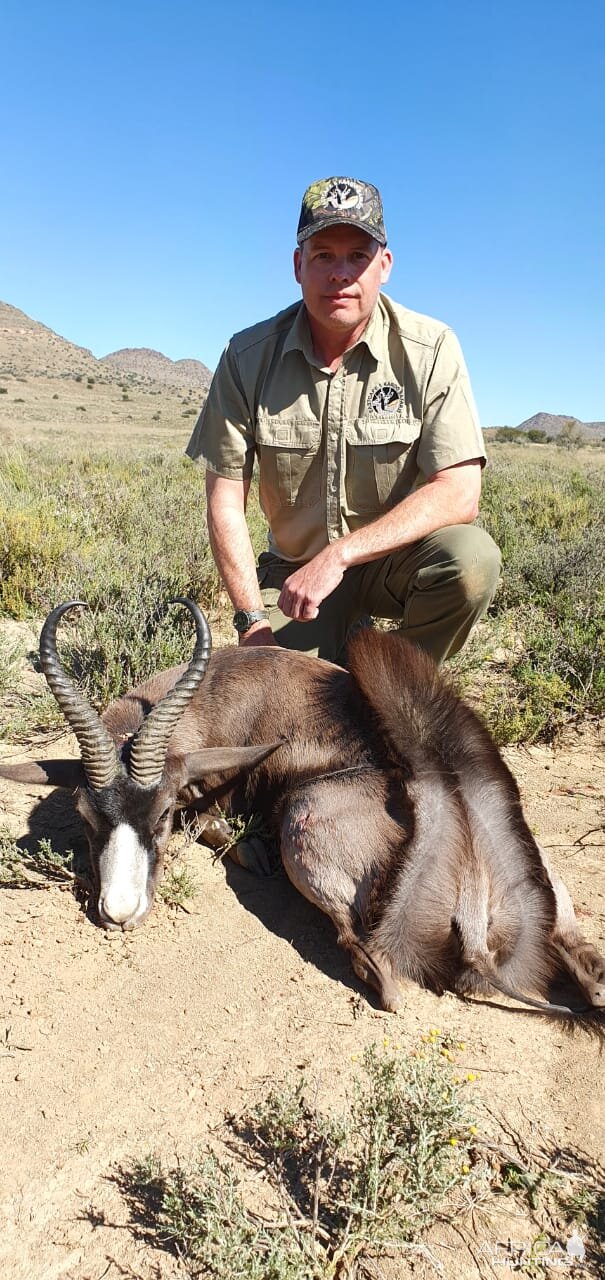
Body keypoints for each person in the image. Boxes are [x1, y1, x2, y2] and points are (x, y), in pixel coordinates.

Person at [186, 175, 501, 665]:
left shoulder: (431, 348)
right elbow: (225, 501)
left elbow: (459, 491)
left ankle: (394, 682)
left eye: (358, 256)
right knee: (278, 711)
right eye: (324, 255)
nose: (340, 273)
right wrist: (253, 622)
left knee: (471, 560)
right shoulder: (246, 357)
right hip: (293, 579)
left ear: (385, 265)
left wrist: (340, 556)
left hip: (390, 565)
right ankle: (338, 669)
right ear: (298, 265)